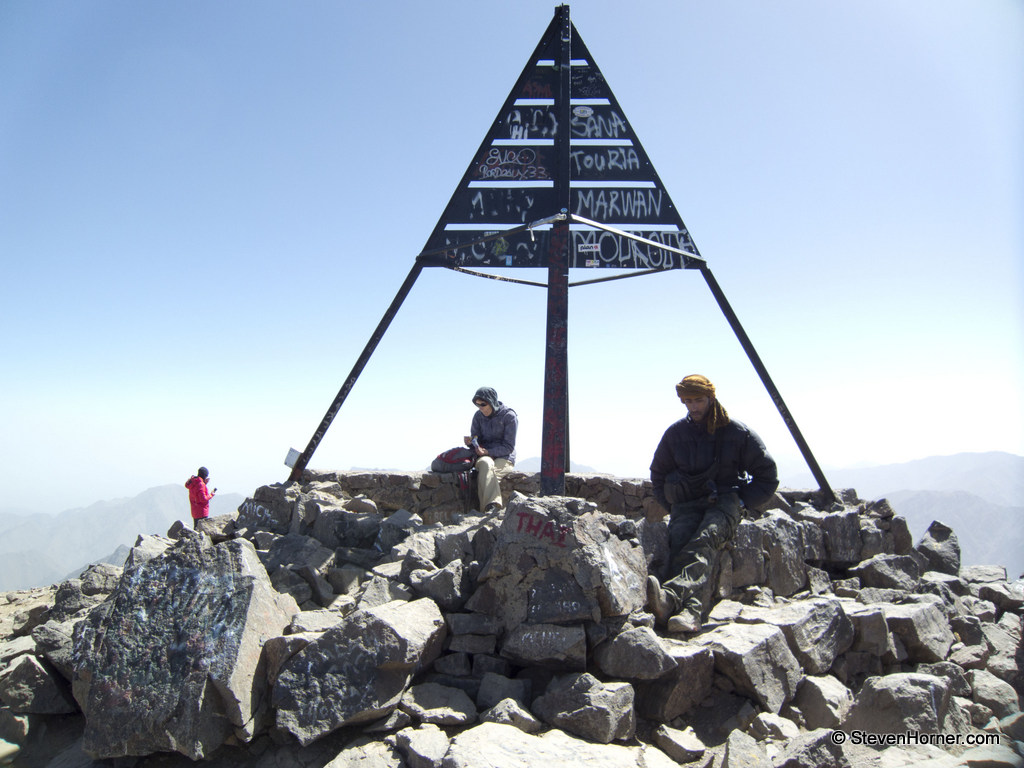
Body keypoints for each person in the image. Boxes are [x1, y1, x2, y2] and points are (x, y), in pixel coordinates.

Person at [647, 375, 778, 634]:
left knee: (705, 538)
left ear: (711, 398)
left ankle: (670, 599)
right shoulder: (675, 434)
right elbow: (658, 475)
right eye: (688, 401)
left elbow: (767, 476)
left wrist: (742, 500)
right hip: (687, 505)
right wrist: (673, 508)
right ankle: (689, 614)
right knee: (680, 540)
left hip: (726, 502)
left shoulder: (736, 433)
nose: (693, 407)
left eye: (699, 400)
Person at [464, 387, 517, 513]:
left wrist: (488, 452)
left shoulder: (509, 416)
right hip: (484, 456)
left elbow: (508, 447)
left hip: (505, 457)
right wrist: (471, 443)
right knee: (486, 465)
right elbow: (477, 440)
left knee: (486, 474)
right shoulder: (478, 416)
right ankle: (492, 509)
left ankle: (486, 510)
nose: (480, 408)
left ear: (492, 401)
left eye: (483, 404)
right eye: (477, 405)